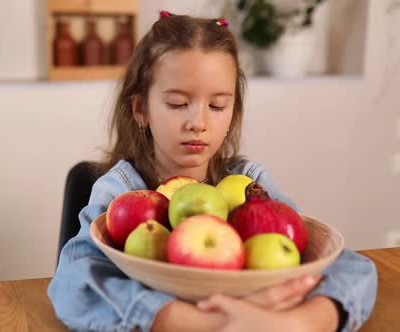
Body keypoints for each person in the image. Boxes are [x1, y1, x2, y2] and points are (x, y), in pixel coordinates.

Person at [48, 12, 377, 332]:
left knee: (357, 266)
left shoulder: (250, 183)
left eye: (218, 106)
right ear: (141, 109)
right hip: (188, 324)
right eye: (178, 104)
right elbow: (72, 282)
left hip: (268, 321)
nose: (199, 123)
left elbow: (331, 261)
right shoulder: (119, 190)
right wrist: (197, 322)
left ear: (233, 111)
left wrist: (301, 321)